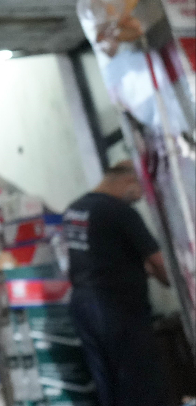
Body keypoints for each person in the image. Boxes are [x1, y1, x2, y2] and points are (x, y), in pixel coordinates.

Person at [63, 161, 171, 406]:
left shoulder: (75, 209)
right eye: (141, 188)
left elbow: (105, 256)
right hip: (117, 308)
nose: (141, 196)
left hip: (83, 305)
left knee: (108, 383)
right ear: (128, 181)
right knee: (139, 383)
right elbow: (159, 261)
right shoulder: (120, 211)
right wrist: (173, 282)